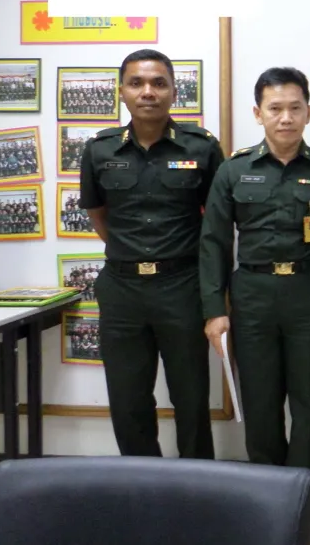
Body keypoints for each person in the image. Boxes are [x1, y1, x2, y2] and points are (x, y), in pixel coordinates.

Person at [198, 67, 310, 542]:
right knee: (261, 402)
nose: (285, 118)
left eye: (294, 108)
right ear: (258, 113)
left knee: (308, 405)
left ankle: (304, 504)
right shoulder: (233, 169)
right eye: (275, 108)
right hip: (253, 296)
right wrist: (214, 309)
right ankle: (267, 501)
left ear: (308, 112)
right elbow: (214, 243)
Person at [78, 48, 223, 459]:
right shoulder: (100, 150)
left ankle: (196, 481)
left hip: (182, 287)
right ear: (121, 91)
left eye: (159, 83)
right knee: (128, 400)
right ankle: (142, 483)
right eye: (137, 83)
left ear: (174, 91)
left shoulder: (202, 147)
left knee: (191, 397)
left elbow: (216, 224)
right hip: (122, 290)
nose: (148, 92)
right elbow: (98, 215)